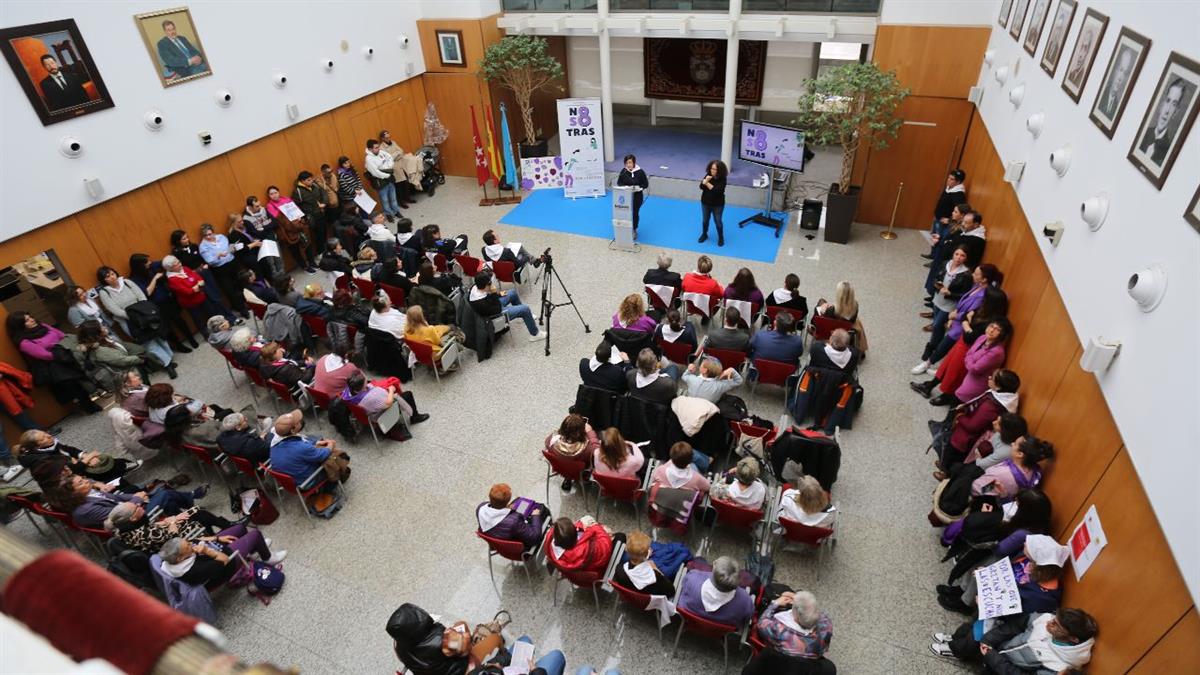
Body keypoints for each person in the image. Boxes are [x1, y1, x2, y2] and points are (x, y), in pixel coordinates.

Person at [933, 607, 1097, 673]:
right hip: (998, 650)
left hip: (1001, 667)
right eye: (1054, 618)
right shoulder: (1045, 619)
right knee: (975, 629)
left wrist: (992, 657)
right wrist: (988, 641)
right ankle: (959, 647)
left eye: (1056, 625)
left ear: (1073, 639)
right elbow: (1013, 627)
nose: (1049, 622)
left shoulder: (1059, 667)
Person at [6, 312, 100, 413]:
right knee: (71, 382)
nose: (32, 320)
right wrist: (61, 351)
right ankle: (88, 406)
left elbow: (62, 336)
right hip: (54, 364)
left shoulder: (43, 326)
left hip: (66, 354)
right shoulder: (23, 341)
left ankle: (97, 391)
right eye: (27, 321)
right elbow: (44, 355)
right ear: (20, 326)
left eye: (30, 317)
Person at [95, 267, 176, 371]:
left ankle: (170, 357)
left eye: (112, 274)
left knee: (158, 335)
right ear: (104, 280)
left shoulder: (127, 282)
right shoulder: (105, 292)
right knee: (147, 342)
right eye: (107, 276)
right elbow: (114, 309)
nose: (111, 277)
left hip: (144, 314)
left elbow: (141, 296)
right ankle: (166, 364)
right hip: (127, 321)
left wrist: (143, 312)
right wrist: (133, 317)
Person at [104, 501, 241, 554]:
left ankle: (222, 529)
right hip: (174, 543)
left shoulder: (126, 529)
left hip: (165, 535)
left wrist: (171, 520)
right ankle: (222, 533)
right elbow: (172, 538)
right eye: (136, 508)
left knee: (195, 510)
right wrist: (172, 522)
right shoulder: (142, 533)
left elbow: (152, 526)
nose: (140, 506)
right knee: (198, 515)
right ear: (133, 518)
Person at [158, 533, 285, 589]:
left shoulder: (176, 558)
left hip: (213, 549)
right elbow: (225, 560)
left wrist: (217, 538)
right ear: (180, 558)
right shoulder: (194, 570)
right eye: (188, 546)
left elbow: (196, 539)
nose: (191, 544)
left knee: (240, 528)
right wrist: (207, 551)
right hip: (227, 562)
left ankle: (253, 548)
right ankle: (269, 559)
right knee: (256, 534)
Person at [128, 253, 198, 353]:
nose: (150, 263)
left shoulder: (153, 266)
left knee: (179, 320)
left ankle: (191, 339)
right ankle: (178, 345)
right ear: (140, 265)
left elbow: (166, 261)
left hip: (168, 299)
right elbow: (147, 293)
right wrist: (155, 279)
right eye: (147, 262)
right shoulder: (134, 279)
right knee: (167, 327)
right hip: (155, 306)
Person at [268, 409, 348, 487]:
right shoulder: (300, 448)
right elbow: (322, 455)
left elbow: (299, 442)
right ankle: (330, 486)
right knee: (331, 458)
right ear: (292, 430)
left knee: (315, 439)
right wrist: (330, 444)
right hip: (306, 481)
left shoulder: (275, 441)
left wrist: (315, 443)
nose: (300, 420)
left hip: (291, 481)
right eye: (298, 422)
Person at [162, 255, 234, 336]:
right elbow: (188, 292)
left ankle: (220, 328)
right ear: (170, 268)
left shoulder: (185, 268)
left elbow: (198, 278)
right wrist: (196, 286)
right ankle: (207, 335)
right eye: (176, 264)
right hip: (190, 303)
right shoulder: (172, 280)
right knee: (199, 319)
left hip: (201, 296)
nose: (180, 264)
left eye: (179, 262)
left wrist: (196, 286)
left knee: (212, 312)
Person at [755, 590, 833, 662]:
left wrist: (775, 603)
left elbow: (761, 623)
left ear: (797, 618)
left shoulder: (780, 632)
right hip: (810, 662)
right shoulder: (827, 624)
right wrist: (799, 599)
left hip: (782, 662)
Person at [972, 436, 1055, 502]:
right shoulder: (1034, 470)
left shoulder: (1001, 474)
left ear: (1020, 454)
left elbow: (979, 489)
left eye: (1015, 444)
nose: (1012, 444)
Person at [677, 556, 755, 626]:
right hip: (719, 631)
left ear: (713, 570)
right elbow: (748, 616)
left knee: (700, 560)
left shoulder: (693, 578)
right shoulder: (745, 601)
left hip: (689, 618)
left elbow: (684, 584)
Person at [468, 271, 541, 341]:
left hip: (492, 305)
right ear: (485, 286)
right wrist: (493, 293)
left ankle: (522, 317)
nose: (492, 285)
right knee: (525, 309)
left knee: (513, 292)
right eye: (490, 284)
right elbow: (497, 309)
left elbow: (487, 296)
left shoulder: (477, 287)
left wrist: (498, 294)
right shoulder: (480, 303)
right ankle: (535, 334)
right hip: (496, 314)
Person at [476, 483, 549, 550]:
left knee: (519, 502)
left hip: (497, 540)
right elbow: (535, 537)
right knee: (540, 508)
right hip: (518, 546)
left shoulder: (480, 508)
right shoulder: (514, 521)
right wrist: (535, 516)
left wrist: (505, 508)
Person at [341, 370, 428, 426]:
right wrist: (391, 391)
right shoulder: (370, 397)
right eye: (365, 380)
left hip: (369, 410)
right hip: (380, 414)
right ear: (362, 386)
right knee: (408, 394)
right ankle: (415, 417)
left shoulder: (348, 391)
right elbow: (388, 403)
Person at [197, 223, 247, 316]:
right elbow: (209, 260)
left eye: (210, 234)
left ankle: (247, 303)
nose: (209, 236)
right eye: (206, 235)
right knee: (230, 290)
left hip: (232, 263)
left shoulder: (221, 237)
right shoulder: (203, 246)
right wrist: (217, 256)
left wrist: (233, 248)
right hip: (220, 269)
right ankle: (241, 309)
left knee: (240, 284)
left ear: (213, 232)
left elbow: (229, 247)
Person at [265, 185, 316, 273]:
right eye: (271, 194)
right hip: (287, 231)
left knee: (307, 243)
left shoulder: (286, 199)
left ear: (279, 192)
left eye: (275, 192)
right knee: (295, 250)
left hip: (298, 225)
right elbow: (278, 218)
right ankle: (304, 267)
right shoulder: (270, 206)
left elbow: (297, 210)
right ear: (269, 196)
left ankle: (312, 262)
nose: (274, 195)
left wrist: (299, 217)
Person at [543, 516, 616, 577]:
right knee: (619, 537)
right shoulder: (589, 549)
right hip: (597, 575)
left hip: (576, 578)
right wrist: (595, 526)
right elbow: (606, 546)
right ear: (575, 534)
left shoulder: (549, 545)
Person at [612, 530, 676, 597]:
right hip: (652, 597)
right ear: (646, 554)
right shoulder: (655, 575)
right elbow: (671, 591)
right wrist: (656, 569)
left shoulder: (619, 569)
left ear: (626, 549)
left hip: (635, 598)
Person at [1138, 78, 1185, 165]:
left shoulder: (1168, 151)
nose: (1167, 110)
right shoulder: (1143, 133)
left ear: (1176, 112)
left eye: (1174, 104)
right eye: (1168, 101)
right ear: (1162, 104)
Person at [378, 131, 417, 207]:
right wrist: (396, 154)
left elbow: (401, 151)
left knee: (405, 183)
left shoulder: (393, 142)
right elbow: (388, 158)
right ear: (382, 138)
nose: (388, 139)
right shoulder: (381, 148)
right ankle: (401, 202)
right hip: (393, 168)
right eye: (386, 138)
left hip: (401, 165)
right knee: (398, 186)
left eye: (389, 137)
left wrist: (396, 155)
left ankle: (407, 198)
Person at [365, 139, 402, 219]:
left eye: (378, 147)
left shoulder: (381, 152)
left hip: (389, 177)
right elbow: (375, 172)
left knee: (393, 197)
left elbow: (390, 158)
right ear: (370, 149)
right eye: (376, 148)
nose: (378, 149)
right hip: (380, 181)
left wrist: (388, 167)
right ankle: (389, 214)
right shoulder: (368, 158)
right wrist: (387, 174)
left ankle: (396, 211)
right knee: (385, 200)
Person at [292, 171, 328, 251]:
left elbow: (324, 193)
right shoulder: (297, 191)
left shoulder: (314, 185)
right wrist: (303, 216)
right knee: (318, 236)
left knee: (324, 232)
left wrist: (324, 203)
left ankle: (327, 251)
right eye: (308, 180)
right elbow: (296, 206)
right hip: (311, 218)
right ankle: (321, 253)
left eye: (311, 179)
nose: (311, 181)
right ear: (302, 181)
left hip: (321, 213)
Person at [698, 159, 729, 247]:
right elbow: (701, 186)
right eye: (711, 169)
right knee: (705, 220)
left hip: (718, 205)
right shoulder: (708, 175)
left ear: (719, 170)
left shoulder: (723, 179)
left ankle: (721, 237)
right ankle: (704, 234)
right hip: (705, 202)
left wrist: (706, 183)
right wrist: (705, 181)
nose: (712, 171)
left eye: (715, 169)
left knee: (718, 221)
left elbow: (717, 191)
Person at [929, 169, 968, 240]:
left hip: (945, 224)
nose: (948, 180)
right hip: (938, 219)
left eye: (952, 179)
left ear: (958, 182)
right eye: (948, 178)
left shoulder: (959, 195)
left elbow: (961, 213)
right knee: (934, 239)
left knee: (939, 242)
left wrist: (949, 220)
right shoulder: (949, 188)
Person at [1098, 46, 1135, 119]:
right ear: (1114, 69)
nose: (1121, 78)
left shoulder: (1117, 106)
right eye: (1120, 69)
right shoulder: (1100, 94)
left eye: (1125, 73)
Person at [616, 154, 649, 235]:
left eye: (630, 162)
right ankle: (625, 228)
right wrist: (626, 187)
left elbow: (645, 184)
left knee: (634, 212)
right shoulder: (623, 171)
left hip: (637, 196)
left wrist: (639, 187)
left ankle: (634, 229)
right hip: (626, 196)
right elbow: (619, 183)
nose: (628, 165)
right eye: (626, 163)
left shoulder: (640, 172)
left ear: (634, 163)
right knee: (625, 212)